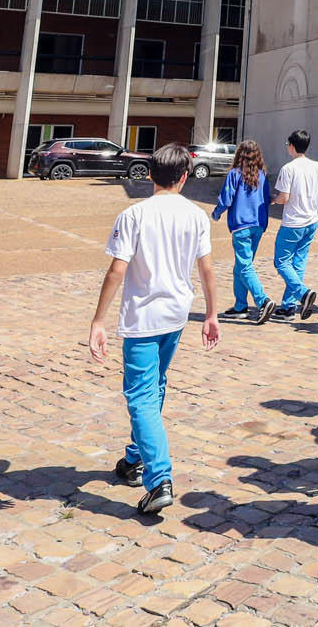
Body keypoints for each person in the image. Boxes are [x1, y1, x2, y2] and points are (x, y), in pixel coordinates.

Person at [88, 143, 218, 518]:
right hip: (176, 315)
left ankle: (159, 478)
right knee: (155, 386)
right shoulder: (196, 216)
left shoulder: (134, 214)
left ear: (149, 175)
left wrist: (99, 320)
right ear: (185, 177)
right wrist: (211, 314)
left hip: (143, 319)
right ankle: (134, 457)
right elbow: (207, 268)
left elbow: (117, 270)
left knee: (141, 397)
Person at [214, 139, 272, 323]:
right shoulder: (262, 175)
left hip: (241, 226)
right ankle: (240, 306)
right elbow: (267, 199)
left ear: (240, 154)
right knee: (241, 266)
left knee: (245, 266)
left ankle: (263, 300)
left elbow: (226, 198)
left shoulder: (234, 174)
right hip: (258, 225)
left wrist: (216, 213)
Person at [271, 130, 318, 320]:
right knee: (298, 262)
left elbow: (284, 197)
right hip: (311, 220)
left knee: (281, 261)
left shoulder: (288, 168)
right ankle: (288, 306)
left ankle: (302, 293)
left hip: (293, 222)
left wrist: (273, 200)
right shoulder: (316, 166)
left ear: (292, 146)